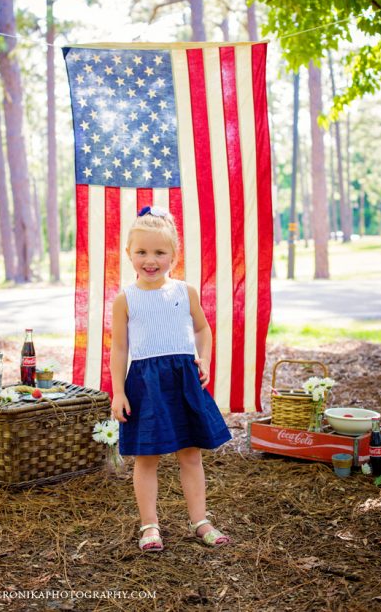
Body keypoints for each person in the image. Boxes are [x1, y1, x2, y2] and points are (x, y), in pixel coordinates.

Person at [110, 205, 232, 552]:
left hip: (182, 381)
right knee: (147, 458)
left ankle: (200, 520)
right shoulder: (126, 299)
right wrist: (118, 392)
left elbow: (202, 328)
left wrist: (203, 357)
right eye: (142, 252)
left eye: (159, 252)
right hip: (145, 385)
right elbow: (119, 349)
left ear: (174, 255)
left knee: (190, 454)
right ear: (129, 254)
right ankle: (150, 526)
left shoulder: (184, 292)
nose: (151, 260)